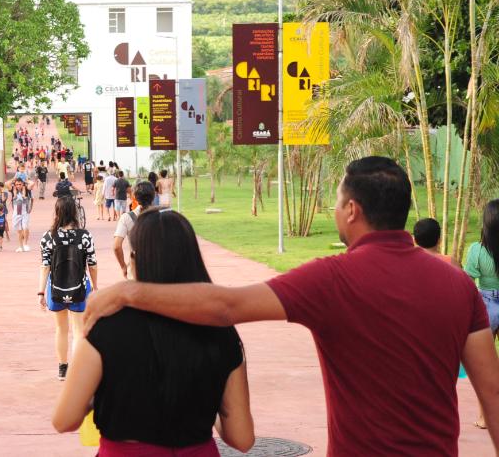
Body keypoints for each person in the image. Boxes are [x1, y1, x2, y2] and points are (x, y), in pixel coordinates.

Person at [85, 156, 499, 454]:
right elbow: (492, 392)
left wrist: (129, 292)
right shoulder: (458, 285)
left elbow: (227, 306)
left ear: (351, 210)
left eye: (336, 202)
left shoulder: (332, 279)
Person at [53, 209, 254, 454]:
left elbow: (64, 420)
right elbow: (242, 438)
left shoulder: (105, 327)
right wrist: (209, 403)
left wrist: (98, 394)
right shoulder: (220, 331)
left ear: (136, 258)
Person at [39, 197, 98, 381]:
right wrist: (95, 286)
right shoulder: (85, 235)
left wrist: (41, 292)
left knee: (61, 329)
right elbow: (92, 264)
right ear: (74, 212)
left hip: (55, 287)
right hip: (80, 286)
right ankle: (78, 369)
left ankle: (63, 368)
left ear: (57, 212)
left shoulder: (48, 237)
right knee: (78, 330)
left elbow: (45, 266)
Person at [464, 199, 499, 429]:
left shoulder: (477, 250)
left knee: (485, 366)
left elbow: (468, 281)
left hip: (486, 303)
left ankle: (485, 418)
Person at [113, 181, 155, 280]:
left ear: (135, 197)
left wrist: (123, 266)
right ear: (153, 196)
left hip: (136, 270)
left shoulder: (126, 218)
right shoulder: (162, 215)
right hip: (158, 269)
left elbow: (116, 246)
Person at [10, 178, 34, 252]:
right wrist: (13, 180)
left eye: (20, 184)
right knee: (19, 231)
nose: (18, 186)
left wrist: (25, 180)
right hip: (17, 212)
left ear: (22, 184)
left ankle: (25, 244)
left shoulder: (26, 189)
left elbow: (32, 183)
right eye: (17, 184)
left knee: (25, 227)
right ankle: (21, 246)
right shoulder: (13, 190)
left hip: (24, 211)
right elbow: (6, 183)